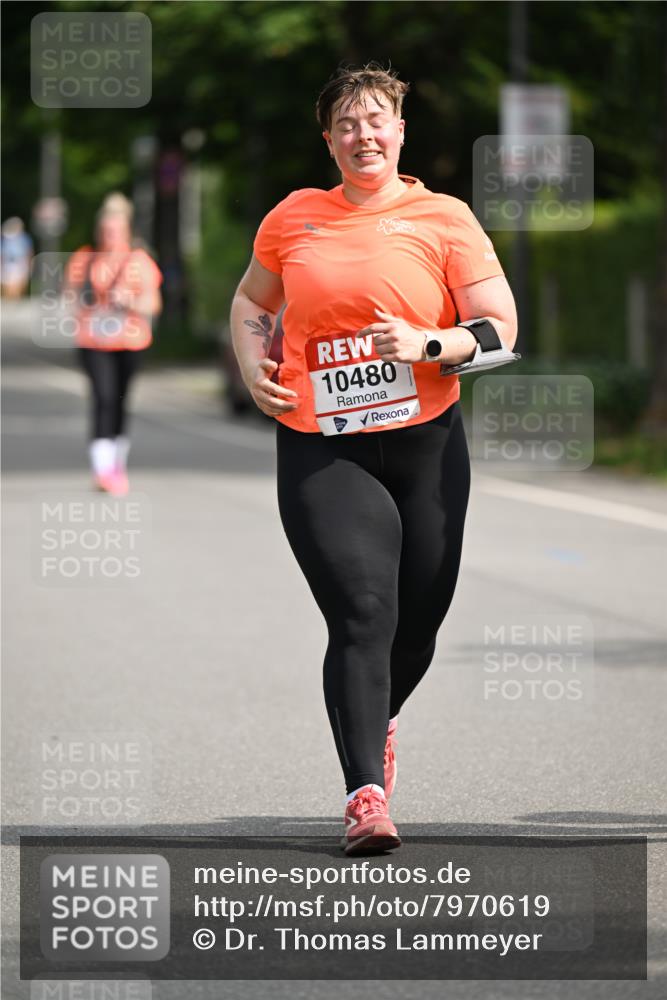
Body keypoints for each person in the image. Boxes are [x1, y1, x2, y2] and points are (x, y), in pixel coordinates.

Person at [230, 64, 517, 855]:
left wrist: (429, 342)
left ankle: (378, 714)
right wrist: (254, 367)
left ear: (399, 131)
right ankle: (364, 795)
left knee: (416, 623)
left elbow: (498, 330)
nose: (363, 135)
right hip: (324, 444)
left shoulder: (444, 217)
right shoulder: (295, 217)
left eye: (376, 120)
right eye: (347, 124)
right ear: (329, 140)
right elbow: (254, 301)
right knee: (362, 611)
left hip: (426, 440)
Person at [63, 193, 163, 496]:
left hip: (130, 342)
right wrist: (86, 303)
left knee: (120, 401)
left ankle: (116, 464)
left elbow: (153, 304)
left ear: (126, 230)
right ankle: (102, 469)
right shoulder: (84, 259)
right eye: (105, 230)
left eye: (116, 230)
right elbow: (68, 297)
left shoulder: (139, 261)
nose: (110, 236)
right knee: (103, 397)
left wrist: (129, 300)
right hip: (93, 341)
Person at [1, 217, 33, 299]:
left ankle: (15, 301)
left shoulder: (24, 238)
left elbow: (28, 252)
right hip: (9, 264)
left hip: (19, 264)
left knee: (18, 284)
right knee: (8, 284)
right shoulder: (6, 238)